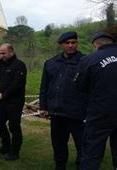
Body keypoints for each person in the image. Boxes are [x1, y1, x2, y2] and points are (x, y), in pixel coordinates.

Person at [39, 31, 87, 169]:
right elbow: (44, 87)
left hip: (78, 113)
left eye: (74, 42)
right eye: (67, 43)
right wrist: (43, 106)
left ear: (77, 43)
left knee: (82, 144)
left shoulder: (85, 61)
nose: (71, 45)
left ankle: (82, 164)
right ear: (61, 45)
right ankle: (60, 165)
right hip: (57, 112)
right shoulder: (51, 63)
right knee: (58, 143)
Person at [76, 32, 117, 169]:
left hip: (99, 114)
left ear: (96, 44)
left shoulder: (89, 59)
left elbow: (81, 86)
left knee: (91, 154)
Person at [0, 43, 27, 161]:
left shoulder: (19, 65)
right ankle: (6, 146)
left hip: (14, 102)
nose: (1, 55)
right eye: (0, 53)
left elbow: (17, 84)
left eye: (3, 53)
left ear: (11, 52)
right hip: (1, 101)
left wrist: (4, 94)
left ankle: (14, 152)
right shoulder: (2, 65)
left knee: (14, 127)